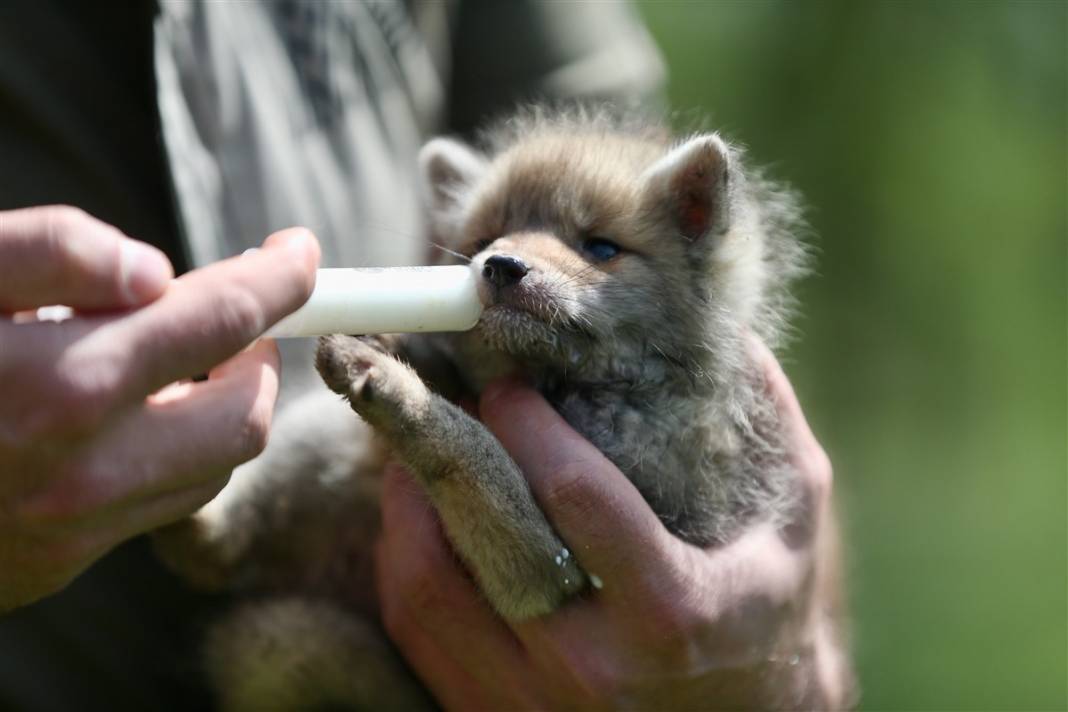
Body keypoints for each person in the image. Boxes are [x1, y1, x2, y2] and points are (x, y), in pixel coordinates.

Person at [0, 1, 852, 709]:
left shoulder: (674, 428)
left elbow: (548, 581)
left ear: (696, 225)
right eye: (485, 237)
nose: (512, 259)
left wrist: (787, 666)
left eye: (595, 247)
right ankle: (208, 521)